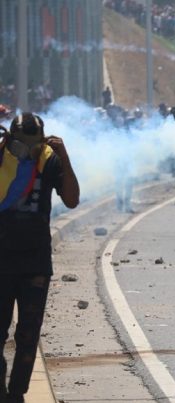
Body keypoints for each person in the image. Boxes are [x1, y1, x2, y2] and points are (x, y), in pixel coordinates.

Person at [0, 113, 80, 403]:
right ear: (10, 140)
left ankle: (17, 392)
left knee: (29, 334)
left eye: (34, 146)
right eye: (24, 146)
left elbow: (71, 199)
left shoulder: (48, 160)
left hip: (35, 261)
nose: (29, 152)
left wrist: (65, 157)